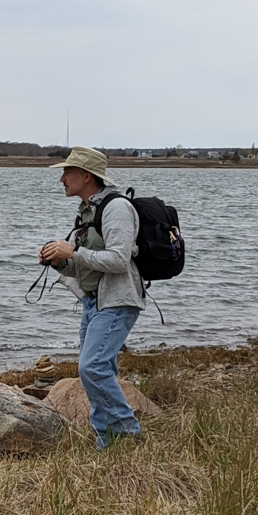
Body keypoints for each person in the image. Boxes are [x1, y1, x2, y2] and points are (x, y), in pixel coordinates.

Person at [38, 147, 146, 447]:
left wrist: (71, 251)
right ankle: (106, 442)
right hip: (93, 301)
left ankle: (128, 434)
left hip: (116, 300)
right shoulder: (88, 209)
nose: (61, 178)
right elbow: (84, 265)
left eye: (67, 172)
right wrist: (59, 261)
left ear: (86, 176)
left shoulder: (116, 208)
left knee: (92, 368)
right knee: (97, 372)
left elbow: (118, 261)